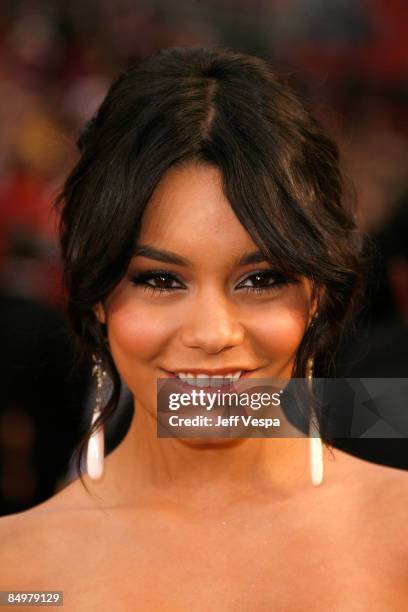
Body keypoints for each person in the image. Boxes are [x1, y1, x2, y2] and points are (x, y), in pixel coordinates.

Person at [1, 46, 408, 610]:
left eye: (261, 278)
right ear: (96, 294)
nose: (213, 331)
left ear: (317, 290)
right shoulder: (17, 574)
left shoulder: (398, 539)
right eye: (161, 281)